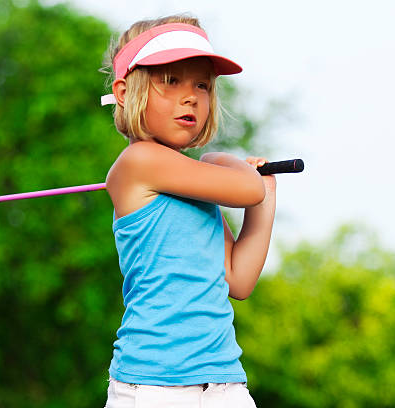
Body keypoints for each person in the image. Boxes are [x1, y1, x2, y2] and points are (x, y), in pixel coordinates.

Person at [101, 14, 276, 408]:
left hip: (222, 381)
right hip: (153, 387)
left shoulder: (191, 178)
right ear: (126, 92)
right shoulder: (140, 161)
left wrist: (267, 196)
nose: (191, 96)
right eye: (171, 81)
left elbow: (238, 280)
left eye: (202, 84)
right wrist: (224, 161)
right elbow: (244, 188)